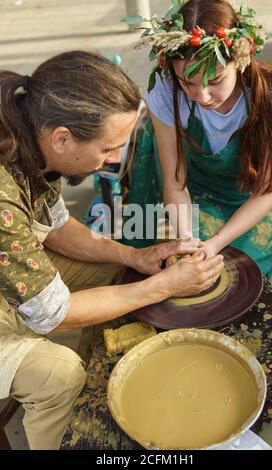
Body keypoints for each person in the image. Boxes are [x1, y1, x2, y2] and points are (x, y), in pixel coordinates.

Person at [0, 50, 224, 450]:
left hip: (11, 268)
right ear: (63, 138)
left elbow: (57, 227)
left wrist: (133, 257)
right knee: (59, 376)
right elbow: (54, 314)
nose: (117, 159)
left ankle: (97, 373)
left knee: (123, 276)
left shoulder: (27, 129)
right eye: (109, 147)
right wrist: (165, 286)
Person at [123, 0, 272, 278]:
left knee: (241, 267)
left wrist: (214, 244)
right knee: (171, 255)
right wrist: (189, 241)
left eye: (215, 81)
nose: (201, 97)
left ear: (241, 59)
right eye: (187, 82)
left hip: (255, 189)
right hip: (199, 184)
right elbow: (175, 185)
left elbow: (265, 193)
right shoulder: (166, 92)